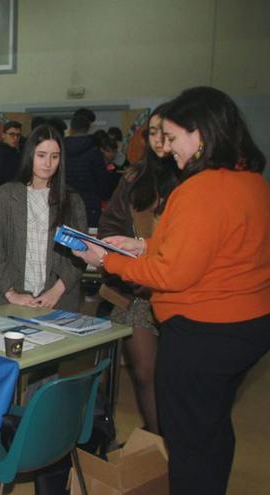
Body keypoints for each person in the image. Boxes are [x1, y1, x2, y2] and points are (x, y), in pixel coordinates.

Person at [75, 87, 270, 495]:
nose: (169, 149)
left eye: (175, 138)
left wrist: (107, 260)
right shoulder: (252, 183)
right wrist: (144, 246)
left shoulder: (199, 190)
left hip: (203, 332)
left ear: (200, 136)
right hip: (249, 325)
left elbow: (170, 275)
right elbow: (215, 249)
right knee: (212, 425)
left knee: (188, 439)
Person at [97, 103, 179, 434]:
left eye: (166, 132)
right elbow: (108, 228)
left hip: (183, 292)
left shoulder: (196, 178)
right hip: (138, 291)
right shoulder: (134, 178)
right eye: (153, 133)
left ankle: (174, 447)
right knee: (145, 373)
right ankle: (157, 443)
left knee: (175, 378)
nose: (159, 140)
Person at [0, 124, 87, 310]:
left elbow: (80, 254)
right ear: (29, 154)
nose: (48, 163)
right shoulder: (5, 196)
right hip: (10, 296)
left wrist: (56, 291)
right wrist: (11, 292)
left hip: (58, 298)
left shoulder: (72, 200)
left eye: (54, 157)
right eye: (41, 155)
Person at [64, 113, 107, 227]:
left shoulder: (60, 150)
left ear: (71, 129)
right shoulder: (95, 152)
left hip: (65, 203)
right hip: (90, 204)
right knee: (89, 241)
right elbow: (103, 182)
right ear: (89, 128)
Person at [0, 120, 22, 196]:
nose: (15, 138)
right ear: (3, 135)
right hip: (3, 199)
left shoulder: (15, 152)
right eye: (12, 134)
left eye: (18, 135)